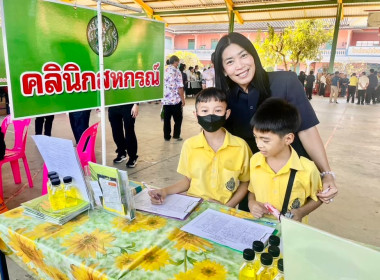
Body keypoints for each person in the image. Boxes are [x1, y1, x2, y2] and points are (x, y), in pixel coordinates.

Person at [213, 32, 337, 211]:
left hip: (289, 178)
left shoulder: (285, 82)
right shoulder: (224, 98)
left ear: (253, 56)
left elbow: (307, 129)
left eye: (243, 56)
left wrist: (327, 174)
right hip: (252, 183)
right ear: (223, 69)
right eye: (230, 61)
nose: (239, 66)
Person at [149, 88, 251, 207]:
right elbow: (188, 181)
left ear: (227, 114)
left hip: (224, 210)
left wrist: (227, 206)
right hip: (194, 207)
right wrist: (164, 191)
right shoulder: (190, 145)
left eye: (218, 110)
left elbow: (245, 182)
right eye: (204, 110)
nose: (211, 115)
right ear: (196, 115)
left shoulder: (240, 146)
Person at [248, 98, 322, 223]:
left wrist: (301, 212)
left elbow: (318, 197)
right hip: (261, 226)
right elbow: (252, 190)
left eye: (265, 140)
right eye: (256, 137)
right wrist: (251, 203)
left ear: (288, 139)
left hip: (292, 232)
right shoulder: (255, 160)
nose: (259, 144)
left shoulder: (307, 169)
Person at [162, 55, 185, 141]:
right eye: (178, 62)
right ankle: (176, 135)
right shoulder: (177, 71)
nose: (178, 64)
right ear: (175, 62)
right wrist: (183, 99)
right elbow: (180, 87)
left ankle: (166, 136)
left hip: (166, 101)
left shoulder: (164, 70)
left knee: (166, 120)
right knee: (178, 119)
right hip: (175, 100)